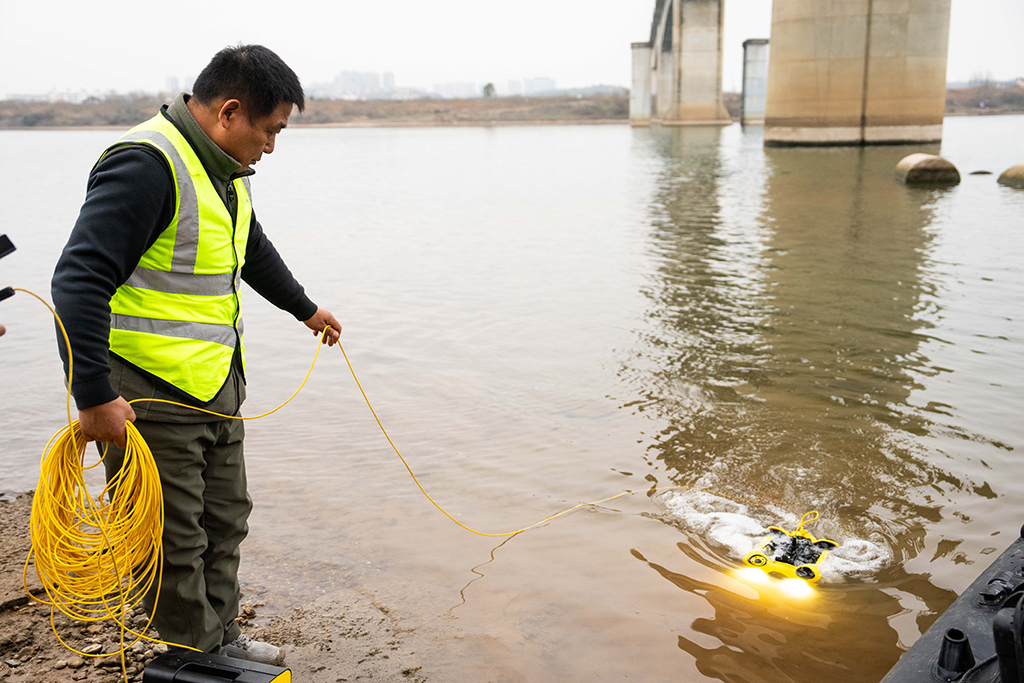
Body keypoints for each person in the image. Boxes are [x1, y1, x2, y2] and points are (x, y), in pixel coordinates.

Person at [51, 44, 340, 665]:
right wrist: (94, 395)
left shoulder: (224, 171)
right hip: (149, 395)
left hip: (215, 389)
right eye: (270, 130)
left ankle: (221, 638)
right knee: (171, 538)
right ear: (229, 112)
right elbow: (77, 280)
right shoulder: (146, 165)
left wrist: (305, 309)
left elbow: (249, 247)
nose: (271, 146)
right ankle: (195, 657)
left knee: (226, 519)